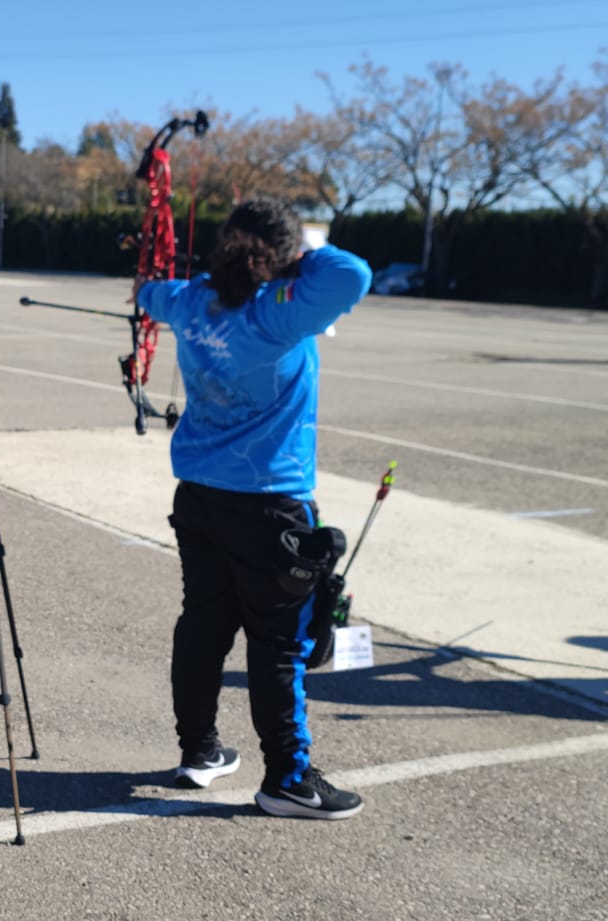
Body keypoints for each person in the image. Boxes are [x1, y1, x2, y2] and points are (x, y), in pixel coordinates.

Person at [133, 196, 372, 819]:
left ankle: (200, 751)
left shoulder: (192, 300)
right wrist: (302, 255)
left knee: (204, 625)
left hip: (199, 498)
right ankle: (288, 780)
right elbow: (352, 273)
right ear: (285, 253)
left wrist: (189, 276)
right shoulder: (278, 311)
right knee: (278, 643)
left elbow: (149, 292)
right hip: (269, 507)